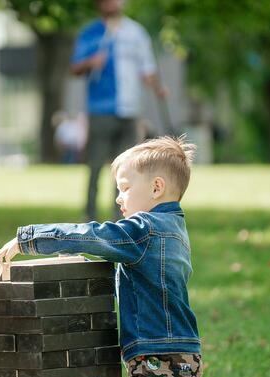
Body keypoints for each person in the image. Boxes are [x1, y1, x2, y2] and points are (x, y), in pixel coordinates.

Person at [0, 136, 270, 377]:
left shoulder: (143, 231)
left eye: (125, 187)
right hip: (184, 358)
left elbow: (92, 236)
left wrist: (30, 239)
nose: (118, 196)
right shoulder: (175, 228)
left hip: (161, 366)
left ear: (156, 187)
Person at [71, 0, 166, 221]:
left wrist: (159, 88)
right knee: (95, 166)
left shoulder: (136, 32)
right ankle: (90, 218)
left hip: (130, 111)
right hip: (100, 110)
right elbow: (75, 67)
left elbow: (147, 69)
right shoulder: (90, 33)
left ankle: (121, 220)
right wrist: (90, 63)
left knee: (128, 170)